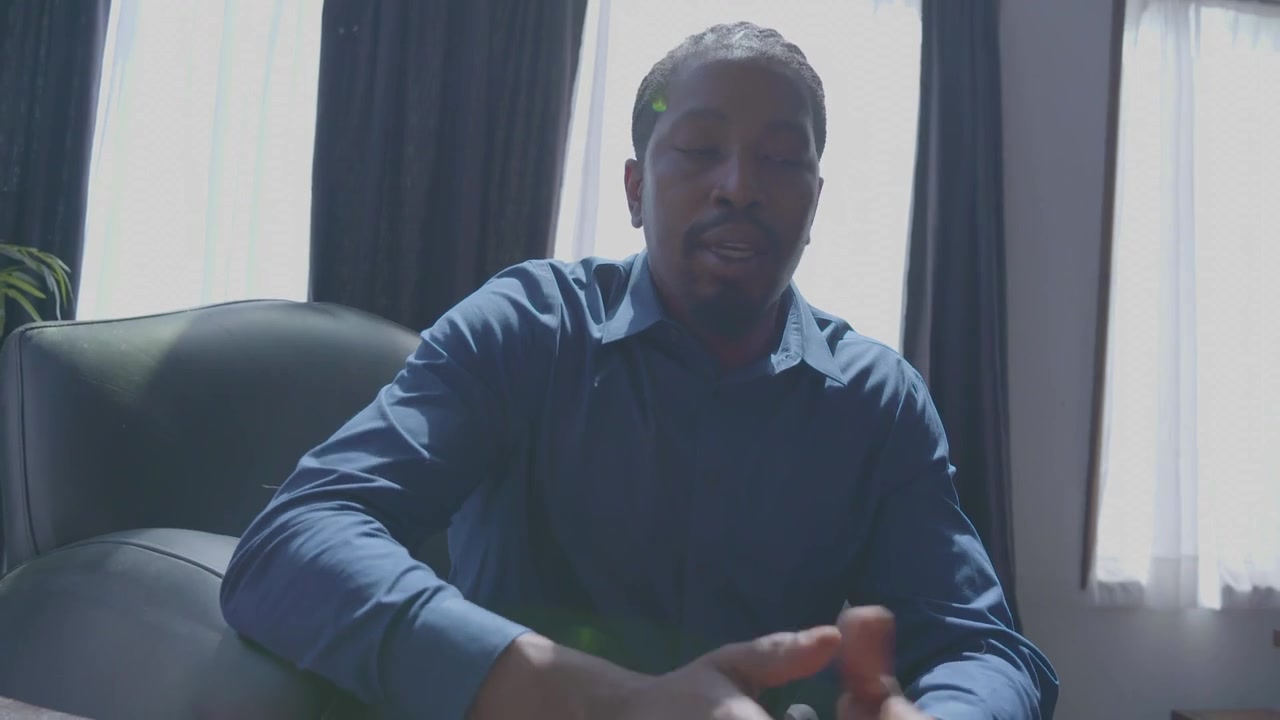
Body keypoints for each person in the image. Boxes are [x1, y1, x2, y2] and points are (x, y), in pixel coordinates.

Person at [221, 21, 1058, 720]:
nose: (739, 187)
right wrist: (599, 698)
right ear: (633, 188)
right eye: (698, 150)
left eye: (780, 159)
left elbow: (985, 650)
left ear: (814, 203)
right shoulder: (529, 329)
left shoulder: (878, 403)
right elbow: (296, 539)